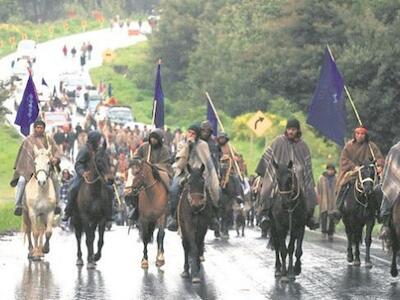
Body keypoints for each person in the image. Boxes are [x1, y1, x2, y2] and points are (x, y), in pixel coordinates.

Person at [256, 118, 319, 231]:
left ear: (297, 131)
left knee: (309, 191)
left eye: (293, 129)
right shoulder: (278, 141)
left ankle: (309, 217)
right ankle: (264, 214)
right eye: (289, 129)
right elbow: (268, 156)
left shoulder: (303, 146)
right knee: (267, 189)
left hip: (298, 177)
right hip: (279, 176)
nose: (290, 132)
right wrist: (261, 172)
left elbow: (307, 167)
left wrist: (299, 169)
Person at [167, 124, 220, 231]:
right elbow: (180, 164)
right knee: (173, 190)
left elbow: (207, 162)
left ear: (197, 135)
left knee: (213, 188)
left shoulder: (203, 145)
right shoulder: (181, 144)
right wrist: (187, 147)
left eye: (193, 133)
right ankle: (173, 217)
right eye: (189, 132)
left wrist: (208, 175)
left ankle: (213, 216)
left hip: (201, 173)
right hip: (184, 173)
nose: (190, 135)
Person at [10, 120, 62, 216]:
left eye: (41, 127)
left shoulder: (48, 139)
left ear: (44, 129)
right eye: (37, 127)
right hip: (30, 170)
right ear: (34, 128)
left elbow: (57, 151)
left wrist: (55, 159)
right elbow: (24, 157)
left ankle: (57, 204)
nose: (39, 129)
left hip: (46, 170)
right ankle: (18, 205)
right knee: (21, 181)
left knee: (56, 179)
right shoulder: (28, 140)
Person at [61, 131, 113, 222]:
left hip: (98, 176)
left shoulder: (99, 150)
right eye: (98, 140)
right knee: (73, 189)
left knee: (109, 189)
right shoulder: (84, 150)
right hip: (83, 175)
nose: (99, 142)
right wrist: (83, 172)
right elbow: (78, 164)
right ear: (93, 140)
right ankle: (68, 212)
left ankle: (109, 213)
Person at [334, 126, 384, 219]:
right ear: (354, 134)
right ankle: (338, 206)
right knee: (343, 183)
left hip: (367, 172)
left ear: (365, 135)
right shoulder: (349, 146)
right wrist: (354, 167)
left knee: (379, 186)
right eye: (358, 133)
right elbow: (344, 159)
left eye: (362, 134)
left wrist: (379, 165)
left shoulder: (371, 146)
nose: (360, 136)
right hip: (353, 171)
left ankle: (380, 211)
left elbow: (379, 158)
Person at [128, 129, 173, 221]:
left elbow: (166, 163)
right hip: (144, 172)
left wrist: (153, 166)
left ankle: (169, 202)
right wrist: (140, 162)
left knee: (169, 185)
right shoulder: (145, 147)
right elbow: (136, 157)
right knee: (135, 186)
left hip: (159, 173)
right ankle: (136, 208)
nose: (153, 140)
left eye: (155, 138)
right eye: (152, 138)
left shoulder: (164, 150)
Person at [200, 121, 222, 232]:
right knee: (175, 188)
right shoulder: (194, 141)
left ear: (210, 132)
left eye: (207, 131)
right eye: (203, 130)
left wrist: (215, 174)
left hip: (209, 172)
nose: (204, 132)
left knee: (216, 191)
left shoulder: (213, 145)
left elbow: (215, 161)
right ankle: (175, 216)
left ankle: (214, 216)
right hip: (194, 172)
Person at [379, 142, 400, 240]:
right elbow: (392, 169)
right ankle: (385, 224)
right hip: (396, 182)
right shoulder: (395, 149)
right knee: (388, 194)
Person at [217, 132, 244, 202]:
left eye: (223, 138)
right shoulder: (217, 147)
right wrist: (221, 157)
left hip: (230, 170)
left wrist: (235, 158)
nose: (221, 140)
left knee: (236, 178)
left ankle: (238, 194)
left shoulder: (230, 147)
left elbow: (238, 157)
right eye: (220, 138)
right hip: (219, 169)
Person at [317, 164, 337, 241]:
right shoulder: (321, 178)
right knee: (324, 217)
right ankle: (323, 232)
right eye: (329, 169)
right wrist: (319, 198)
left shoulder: (336, 178)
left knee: (332, 218)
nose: (330, 171)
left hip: (333, 200)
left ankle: (331, 233)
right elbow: (318, 189)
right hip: (324, 200)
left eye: (331, 170)